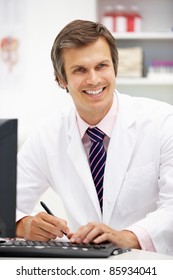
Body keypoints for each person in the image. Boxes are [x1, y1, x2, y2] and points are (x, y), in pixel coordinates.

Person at [16, 19, 173, 255]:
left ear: (114, 68)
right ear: (61, 79)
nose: (94, 79)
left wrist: (128, 237)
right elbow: (6, 202)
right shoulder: (47, 135)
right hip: (85, 266)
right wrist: (22, 224)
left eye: (101, 66)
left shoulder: (162, 121)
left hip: (152, 265)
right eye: (79, 70)